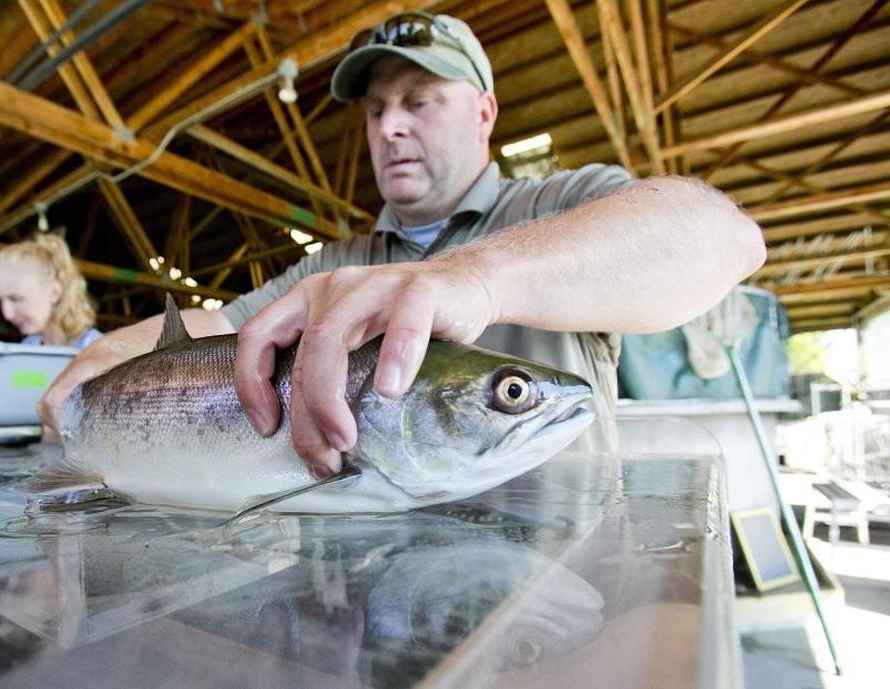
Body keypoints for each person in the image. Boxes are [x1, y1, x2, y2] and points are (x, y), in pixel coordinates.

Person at [38, 12, 765, 477]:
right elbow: (228, 327)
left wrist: (473, 280)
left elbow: (723, 237)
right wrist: (103, 356)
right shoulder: (335, 265)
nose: (389, 127)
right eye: (377, 108)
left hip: (548, 605)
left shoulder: (557, 205)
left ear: (484, 114)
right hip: (363, 611)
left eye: (420, 101)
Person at [0, 232, 102, 350]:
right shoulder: (27, 348)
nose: (7, 314)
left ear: (55, 293)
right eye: (1, 300)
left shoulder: (99, 351)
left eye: (16, 298)